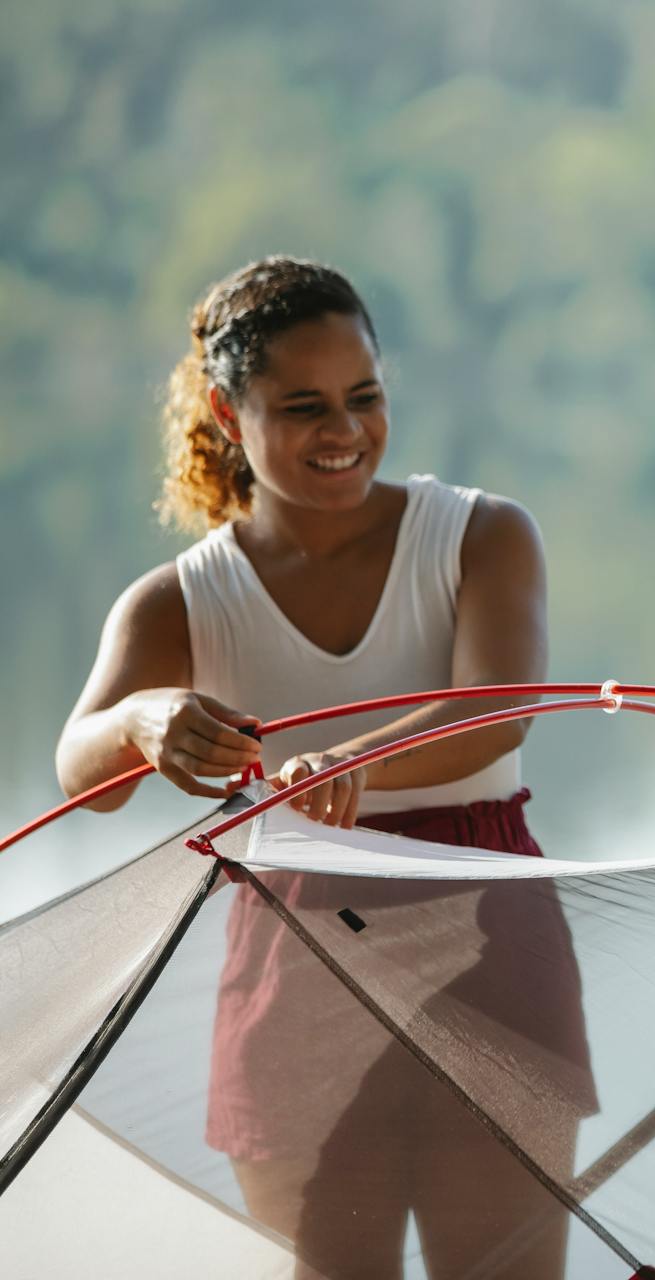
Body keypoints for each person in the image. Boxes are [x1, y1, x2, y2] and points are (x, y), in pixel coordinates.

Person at [55, 256, 592, 1277]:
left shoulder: (481, 533)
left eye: (365, 396)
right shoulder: (179, 600)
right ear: (226, 409)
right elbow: (84, 770)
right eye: (303, 406)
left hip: (491, 940)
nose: (344, 430)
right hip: (294, 956)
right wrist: (142, 718)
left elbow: (502, 709)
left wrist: (349, 757)